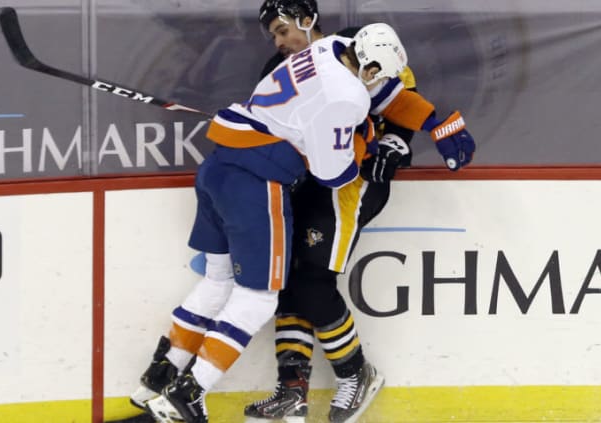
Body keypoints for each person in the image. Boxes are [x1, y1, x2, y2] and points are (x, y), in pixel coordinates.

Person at [127, 21, 421, 423]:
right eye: (378, 78)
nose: (376, 88)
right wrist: (364, 138)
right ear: (370, 69)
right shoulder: (349, 94)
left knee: (220, 281)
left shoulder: (329, 47)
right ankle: (188, 395)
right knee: (260, 297)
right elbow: (332, 173)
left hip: (217, 168)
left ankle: (160, 375)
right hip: (257, 183)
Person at [243, 1, 477, 423]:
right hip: (318, 180)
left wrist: (401, 141)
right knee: (292, 279)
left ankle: (355, 375)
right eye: (273, 36)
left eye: (282, 30)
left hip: (350, 186)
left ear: (306, 18)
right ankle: (292, 389)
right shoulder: (285, 69)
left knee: (312, 279)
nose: (279, 42)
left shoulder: (353, 47)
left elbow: (395, 95)